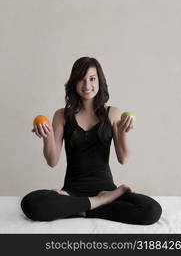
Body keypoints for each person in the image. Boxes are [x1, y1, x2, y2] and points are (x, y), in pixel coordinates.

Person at [21, 57, 162, 224]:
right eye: (81, 79)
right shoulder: (61, 115)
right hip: (72, 193)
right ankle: (99, 202)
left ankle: (79, 208)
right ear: (74, 82)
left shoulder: (113, 112)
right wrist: (46, 137)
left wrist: (123, 132)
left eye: (92, 78)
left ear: (99, 81)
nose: (87, 85)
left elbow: (123, 158)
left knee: (151, 210)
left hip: (106, 189)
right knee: (31, 204)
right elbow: (52, 161)